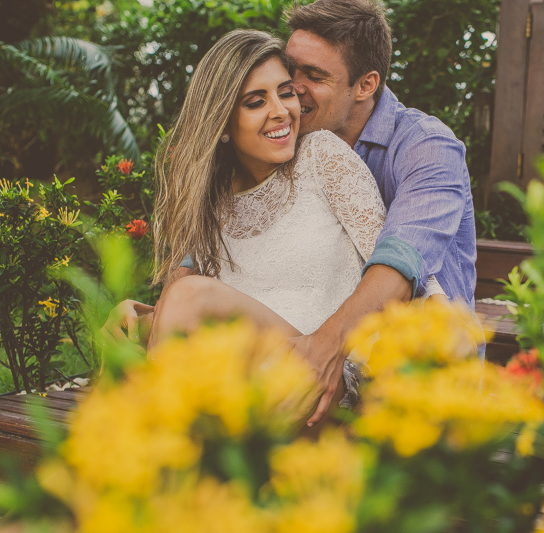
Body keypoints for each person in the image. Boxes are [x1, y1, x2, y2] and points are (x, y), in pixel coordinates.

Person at [104, 0, 478, 427]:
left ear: (365, 85)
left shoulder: (422, 147)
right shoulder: (266, 165)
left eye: (313, 77)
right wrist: (149, 314)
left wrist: (326, 346)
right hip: (281, 368)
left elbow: (401, 263)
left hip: (419, 371)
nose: (293, 92)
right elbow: (227, 272)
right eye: (290, 71)